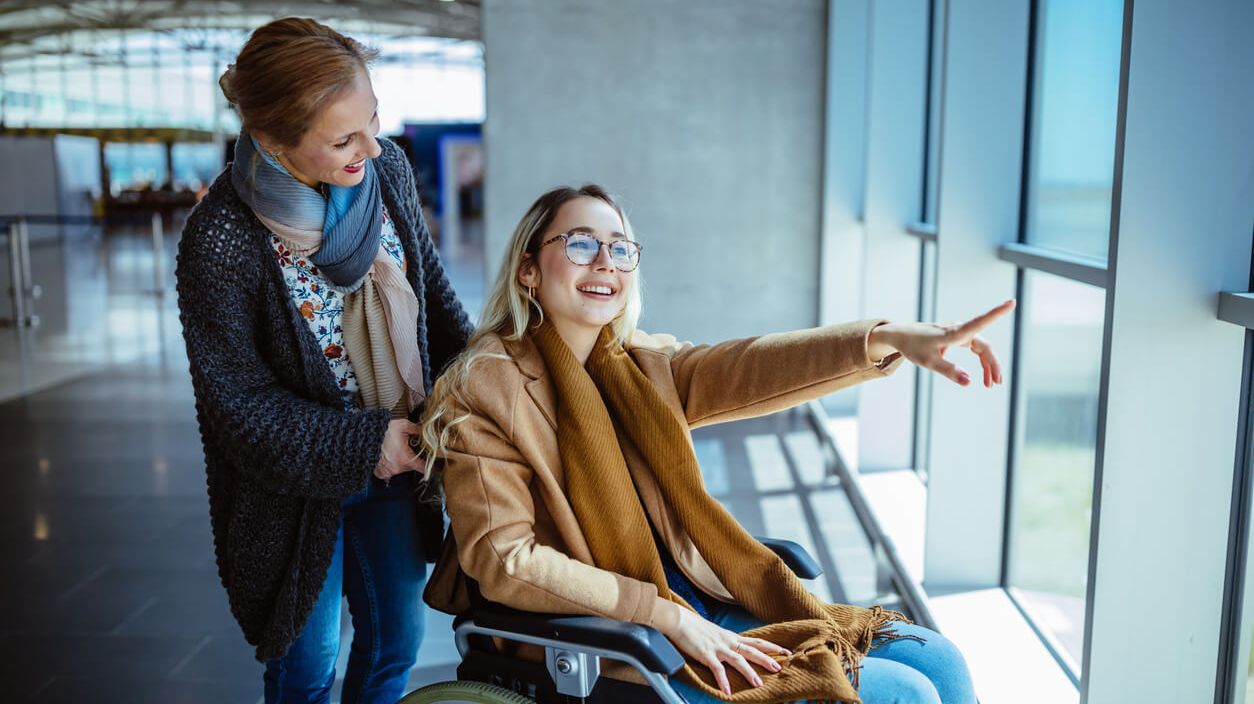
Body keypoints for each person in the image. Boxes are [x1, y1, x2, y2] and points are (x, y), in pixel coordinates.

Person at [421, 185, 1006, 703]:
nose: (605, 261)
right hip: (605, 634)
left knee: (938, 659)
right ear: (529, 269)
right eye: (580, 243)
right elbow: (504, 561)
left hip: (692, 596)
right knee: (902, 693)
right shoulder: (486, 386)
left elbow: (753, 366)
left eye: (620, 248)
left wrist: (887, 338)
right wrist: (661, 615)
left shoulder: (639, 366)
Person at [174, 17, 473, 704]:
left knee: (395, 644)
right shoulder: (221, 239)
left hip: (399, 467)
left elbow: (434, 306)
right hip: (293, 493)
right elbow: (237, 408)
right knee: (307, 669)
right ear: (273, 139)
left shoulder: (385, 170)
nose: (371, 145)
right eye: (343, 138)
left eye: (373, 119)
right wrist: (370, 442)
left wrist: (491, 377)